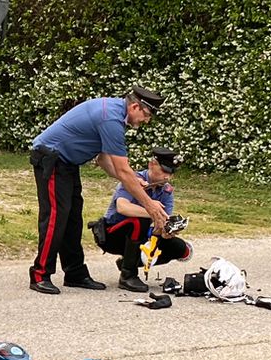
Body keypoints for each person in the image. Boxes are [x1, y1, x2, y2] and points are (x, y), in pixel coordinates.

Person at [26, 89, 168, 294]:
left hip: (66, 164)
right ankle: (40, 274)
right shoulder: (111, 119)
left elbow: (104, 160)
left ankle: (75, 273)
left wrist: (131, 180)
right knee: (55, 218)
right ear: (135, 107)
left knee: (73, 219)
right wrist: (149, 205)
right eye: (146, 115)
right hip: (52, 160)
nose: (145, 121)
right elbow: (122, 169)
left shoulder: (114, 112)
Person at [93, 148, 192, 291]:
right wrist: (152, 210)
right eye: (164, 171)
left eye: (171, 173)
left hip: (141, 238)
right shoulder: (133, 178)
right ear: (152, 164)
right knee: (140, 220)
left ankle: (130, 262)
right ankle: (128, 276)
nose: (167, 177)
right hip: (112, 235)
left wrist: (164, 232)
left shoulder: (166, 190)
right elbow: (122, 207)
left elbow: (159, 225)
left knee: (179, 248)